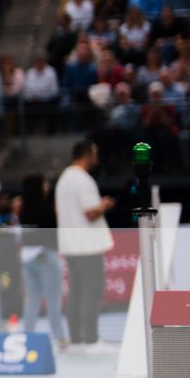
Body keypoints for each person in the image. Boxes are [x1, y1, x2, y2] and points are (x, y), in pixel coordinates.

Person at [55, 139, 116, 349]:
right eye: (95, 154)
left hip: (71, 244)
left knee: (76, 291)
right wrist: (105, 205)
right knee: (92, 290)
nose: (97, 158)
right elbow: (90, 212)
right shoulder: (83, 180)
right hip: (87, 244)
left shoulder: (63, 179)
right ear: (88, 154)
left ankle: (76, 337)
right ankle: (91, 337)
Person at [14, 174, 69, 351]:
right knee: (53, 299)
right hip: (45, 254)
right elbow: (54, 234)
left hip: (27, 256)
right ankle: (60, 338)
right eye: (44, 183)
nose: (47, 186)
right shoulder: (46, 209)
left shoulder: (23, 210)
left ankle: (27, 336)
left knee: (32, 299)